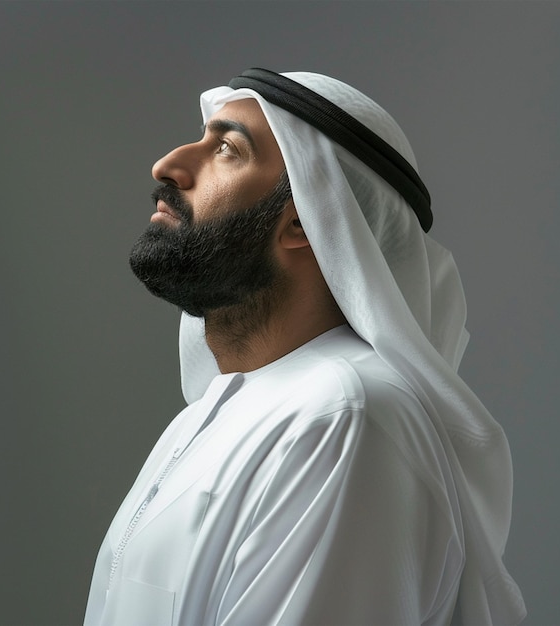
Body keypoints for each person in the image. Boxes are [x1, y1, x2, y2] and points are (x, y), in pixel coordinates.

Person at [84, 69, 526, 625]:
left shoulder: (342, 416)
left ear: (303, 217)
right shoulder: (215, 419)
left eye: (226, 148)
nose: (169, 165)